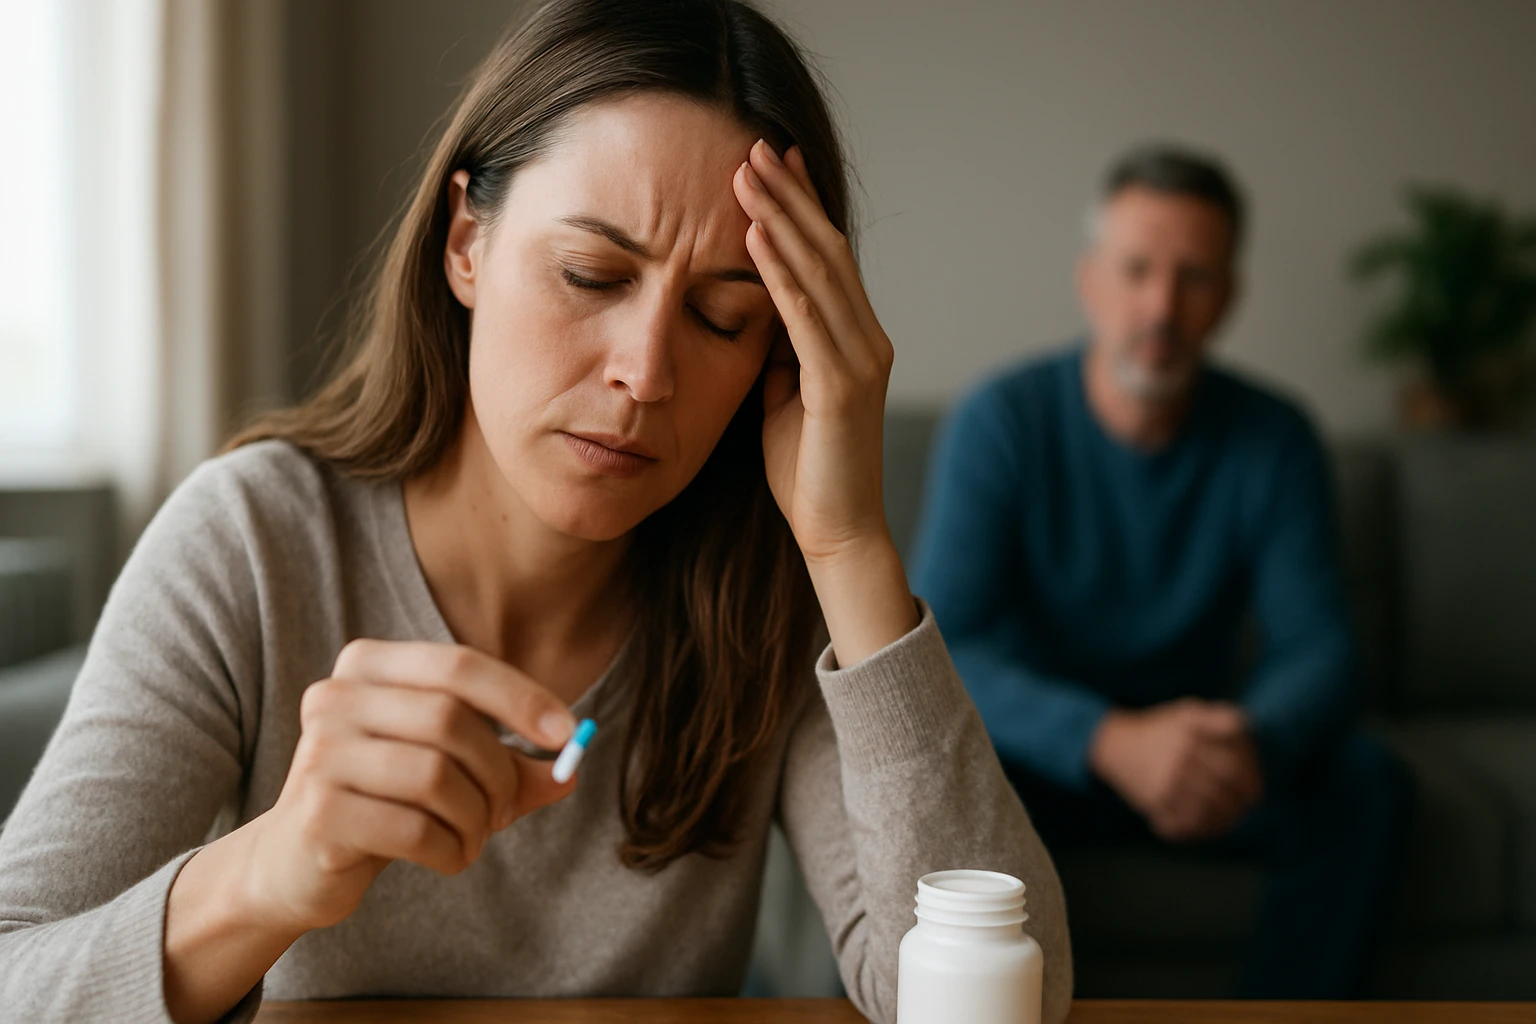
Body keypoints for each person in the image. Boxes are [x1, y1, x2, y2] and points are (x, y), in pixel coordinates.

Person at [0, 3, 1073, 1022]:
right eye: (590, 273)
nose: (646, 373)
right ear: (465, 241)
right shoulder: (252, 541)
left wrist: (849, 548)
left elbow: (1014, 999)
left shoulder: (770, 587)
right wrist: (267, 874)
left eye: (719, 315)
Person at [911, 144, 1410, 998]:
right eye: (1137, 270)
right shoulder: (1003, 420)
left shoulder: (1276, 437)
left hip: (1205, 757)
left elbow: (1322, 650)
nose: (1161, 307)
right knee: (947, 793)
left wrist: (1249, 742)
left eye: (1195, 277)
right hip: (1043, 759)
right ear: (1090, 279)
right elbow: (946, 647)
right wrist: (1107, 741)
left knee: (1367, 787)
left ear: (1229, 297)